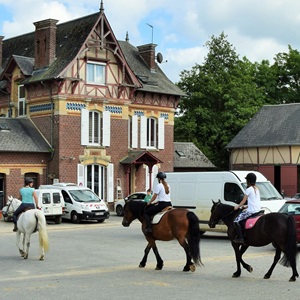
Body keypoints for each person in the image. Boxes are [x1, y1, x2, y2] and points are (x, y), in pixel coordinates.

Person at [233, 172, 261, 244]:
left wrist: (237, 206)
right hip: (258, 210)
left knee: (236, 221)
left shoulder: (249, 189)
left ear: (248, 181)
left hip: (251, 211)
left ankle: (241, 238)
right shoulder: (257, 189)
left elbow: (243, 200)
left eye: (246, 180)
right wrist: (247, 206)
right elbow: (254, 200)